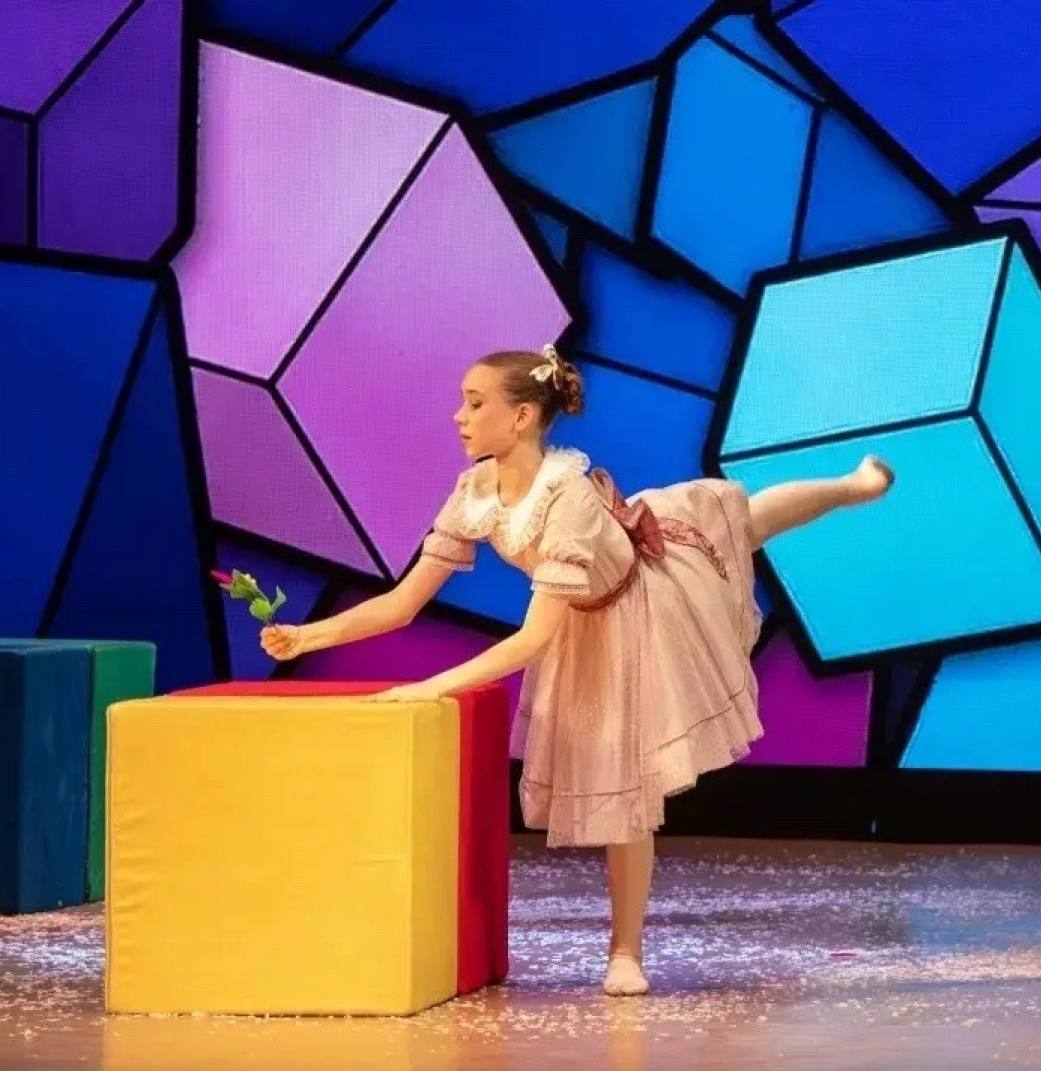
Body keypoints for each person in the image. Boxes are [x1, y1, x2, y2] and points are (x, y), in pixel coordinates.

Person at [262, 344, 893, 996]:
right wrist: (308, 635)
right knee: (743, 529)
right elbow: (403, 602)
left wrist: (430, 686)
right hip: (582, 620)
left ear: (522, 417)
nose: (459, 417)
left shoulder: (563, 498)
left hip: (642, 606)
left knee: (743, 525)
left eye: (475, 404)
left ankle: (626, 952)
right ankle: (851, 487)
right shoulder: (475, 491)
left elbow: (533, 639)